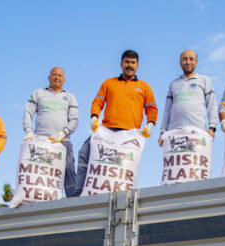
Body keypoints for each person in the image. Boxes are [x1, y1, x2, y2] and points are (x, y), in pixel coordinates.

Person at [72, 49, 158, 196]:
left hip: (129, 134)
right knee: (84, 152)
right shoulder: (109, 83)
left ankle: (125, 194)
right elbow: (98, 102)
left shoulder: (144, 87)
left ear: (137, 65)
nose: (129, 66)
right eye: (127, 62)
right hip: (107, 131)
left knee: (123, 164)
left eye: (132, 63)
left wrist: (151, 124)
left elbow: (152, 108)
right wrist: (94, 117)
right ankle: (79, 191)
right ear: (121, 63)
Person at [23, 67, 80, 196]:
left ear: (64, 79)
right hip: (41, 141)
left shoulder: (70, 97)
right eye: (54, 75)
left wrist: (63, 133)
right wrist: (28, 131)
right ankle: (40, 198)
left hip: (63, 141)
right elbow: (28, 112)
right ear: (49, 78)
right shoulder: (38, 93)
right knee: (40, 172)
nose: (57, 77)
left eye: (60, 76)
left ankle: (74, 200)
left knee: (69, 171)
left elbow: (74, 120)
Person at [159, 49, 217, 145]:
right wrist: (163, 131)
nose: (188, 62)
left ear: (196, 62)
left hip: (198, 132)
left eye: (191, 59)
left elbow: (212, 105)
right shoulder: (173, 84)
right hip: (174, 133)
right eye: (185, 59)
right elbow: (167, 110)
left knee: (197, 160)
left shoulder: (204, 80)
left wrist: (212, 127)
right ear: (180, 62)